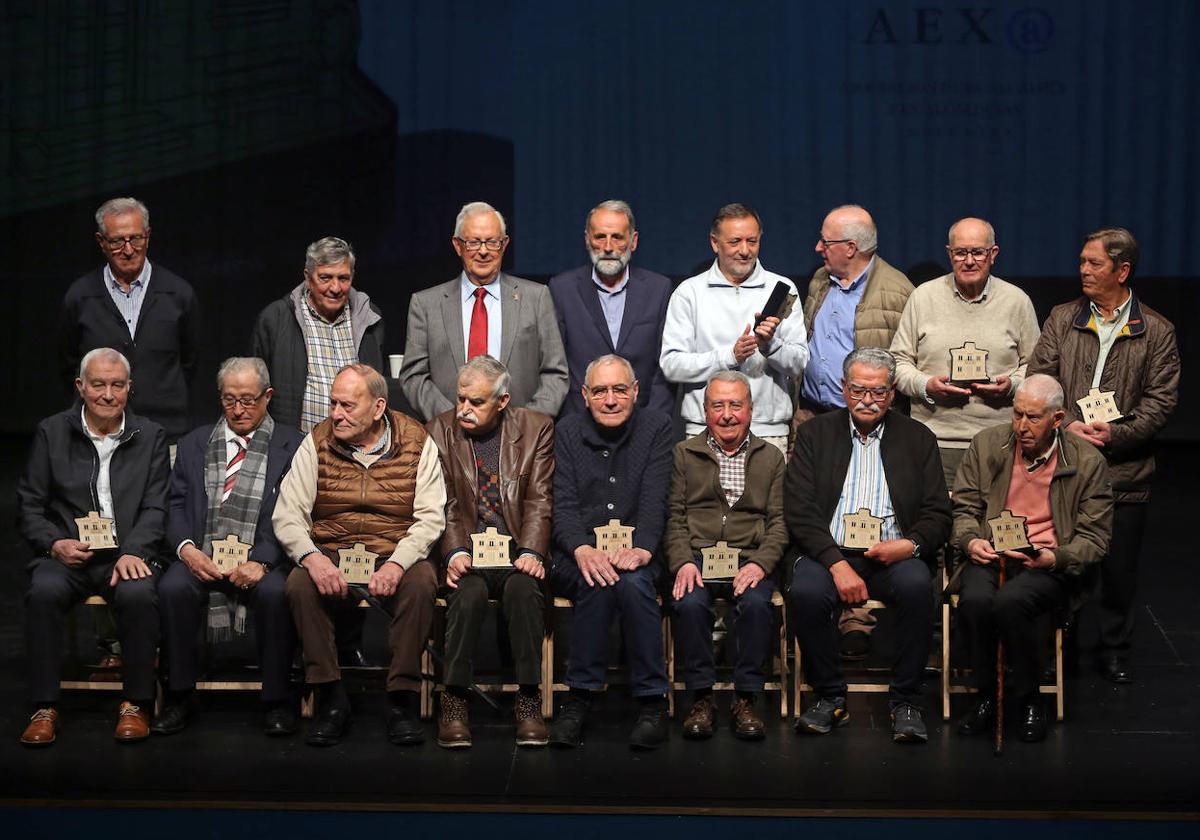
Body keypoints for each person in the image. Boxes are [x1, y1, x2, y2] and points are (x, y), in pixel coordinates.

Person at [1028, 228, 1179, 684]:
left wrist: (1114, 433)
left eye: (1094, 263)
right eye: (1081, 262)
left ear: (1122, 270)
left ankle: (1115, 649)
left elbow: (1160, 403)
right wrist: (1068, 424)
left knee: (1118, 570)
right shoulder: (1063, 316)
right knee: (1066, 562)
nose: (1083, 270)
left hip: (1124, 469)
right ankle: (1064, 645)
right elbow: (1040, 374)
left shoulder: (1156, 330)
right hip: (1067, 461)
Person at [273, 364, 446, 747]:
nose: (336, 413)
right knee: (299, 584)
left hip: (393, 551)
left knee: (421, 584)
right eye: (334, 403)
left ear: (378, 406)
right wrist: (312, 558)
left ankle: (401, 698)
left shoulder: (418, 441)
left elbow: (431, 517)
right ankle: (330, 697)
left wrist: (400, 562)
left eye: (348, 405)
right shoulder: (317, 441)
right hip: (333, 551)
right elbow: (288, 512)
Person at [786, 347, 951, 743]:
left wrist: (909, 545)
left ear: (892, 393)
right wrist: (835, 563)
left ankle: (906, 701)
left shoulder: (918, 438)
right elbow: (799, 510)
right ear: (844, 389)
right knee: (806, 592)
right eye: (859, 389)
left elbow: (939, 515)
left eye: (878, 392)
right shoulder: (814, 434)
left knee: (917, 587)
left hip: (892, 554)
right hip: (829, 552)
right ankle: (829, 697)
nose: (867, 400)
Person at [18, 348, 169, 746]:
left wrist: (135, 550)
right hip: (69, 554)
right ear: (80, 387)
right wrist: (54, 543)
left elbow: (157, 505)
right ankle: (44, 707)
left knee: (139, 594)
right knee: (43, 592)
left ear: (129, 388)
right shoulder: (52, 431)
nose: (107, 394)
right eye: (98, 384)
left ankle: (135, 703)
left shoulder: (150, 434)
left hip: (125, 553)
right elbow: (29, 504)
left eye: (117, 385)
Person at [952, 375, 1112, 742]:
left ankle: (1027, 699)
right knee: (975, 601)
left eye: (1033, 418)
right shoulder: (988, 445)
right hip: (991, 555)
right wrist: (970, 540)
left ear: (1057, 419)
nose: (1022, 426)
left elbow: (1095, 539)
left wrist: (1054, 557)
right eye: (1017, 414)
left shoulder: (1086, 461)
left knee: (1012, 602)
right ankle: (988, 695)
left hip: (1049, 560)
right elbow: (963, 507)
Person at [155, 357, 305, 737]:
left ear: (268, 396)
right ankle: (180, 695)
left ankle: (277, 698)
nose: (238, 410)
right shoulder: (194, 442)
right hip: (200, 553)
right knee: (173, 587)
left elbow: (299, 512)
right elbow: (174, 503)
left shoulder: (295, 445)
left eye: (249, 400)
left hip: (263, 558)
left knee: (275, 593)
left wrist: (264, 561)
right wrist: (187, 550)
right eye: (229, 400)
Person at [797, 204, 915, 660]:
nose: (817, 248)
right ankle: (821, 607)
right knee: (819, 512)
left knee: (865, 509)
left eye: (825, 241)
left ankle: (857, 619)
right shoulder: (818, 282)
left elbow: (901, 364)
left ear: (851, 247)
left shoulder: (898, 290)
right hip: (814, 418)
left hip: (868, 421)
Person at [426, 356, 554, 748]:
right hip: (468, 550)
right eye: (460, 398)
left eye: (476, 402)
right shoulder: (439, 431)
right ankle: (455, 699)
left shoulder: (535, 429)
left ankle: (528, 698)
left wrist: (532, 550)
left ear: (502, 401)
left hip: (515, 549)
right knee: (467, 596)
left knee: (523, 592)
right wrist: (453, 552)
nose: (463, 409)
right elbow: (442, 502)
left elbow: (539, 499)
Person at [548, 354, 674, 750]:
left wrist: (643, 549)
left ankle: (652, 703)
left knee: (634, 584)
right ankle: (578, 700)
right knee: (596, 581)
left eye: (620, 389)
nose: (610, 399)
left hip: (640, 551)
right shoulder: (566, 431)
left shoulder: (657, 427)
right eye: (600, 391)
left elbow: (657, 499)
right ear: (585, 396)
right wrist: (582, 549)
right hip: (578, 552)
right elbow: (562, 505)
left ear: (635, 392)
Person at [667, 371, 787, 740]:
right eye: (717, 405)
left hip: (750, 556)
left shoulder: (772, 457)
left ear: (751, 409)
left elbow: (780, 523)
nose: (727, 414)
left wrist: (760, 563)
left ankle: (746, 699)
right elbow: (674, 518)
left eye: (736, 404)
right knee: (688, 604)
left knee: (755, 604)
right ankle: (700, 697)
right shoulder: (684, 454)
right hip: (699, 556)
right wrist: (683, 561)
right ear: (705, 411)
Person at [890, 217, 1040, 487]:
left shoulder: (1017, 301)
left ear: (993, 254)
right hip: (933, 441)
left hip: (1000, 441)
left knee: (994, 524)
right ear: (950, 254)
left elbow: (1036, 367)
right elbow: (898, 363)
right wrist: (926, 386)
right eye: (961, 252)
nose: (969, 261)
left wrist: (1012, 385)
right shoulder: (923, 297)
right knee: (939, 524)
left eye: (978, 252)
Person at [400, 201, 568, 421]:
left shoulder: (536, 298)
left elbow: (555, 374)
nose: (483, 251)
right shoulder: (426, 304)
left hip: (520, 440)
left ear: (504, 244)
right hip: (449, 438)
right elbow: (414, 376)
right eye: (473, 243)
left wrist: (526, 425)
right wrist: (455, 419)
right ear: (457, 245)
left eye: (492, 242)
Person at [660, 203, 809, 452]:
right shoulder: (690, 292)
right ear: (714, 243)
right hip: (704, 429)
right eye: (735, 241)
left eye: (752, 241)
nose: (745, 250)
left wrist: (770, 345)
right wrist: (729, 357)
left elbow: (800, 363)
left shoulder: (782, 288)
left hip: (768, 430)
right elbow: (672, 365)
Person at [60, 197, 199, 441]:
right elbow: (68, 364)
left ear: (148, 236)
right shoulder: (80, 297)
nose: (127, 250)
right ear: (101, 242)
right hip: (99, 435)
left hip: (166, 434)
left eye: (136, 238)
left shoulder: (179, 294)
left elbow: (190, 362)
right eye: (116, 241)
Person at [549, 199, 673, 417]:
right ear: (587, 240)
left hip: (642, 423)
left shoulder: (658, 289)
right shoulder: (562, 289)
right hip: (580, 425)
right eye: (599, 237)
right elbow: (556, 367)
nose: (607, 247)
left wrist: (653, 423)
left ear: (633, 241)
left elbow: (663, 368)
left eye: (617, 237)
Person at [251, 236, 385, 433]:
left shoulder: (369, 318)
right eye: (325, 278)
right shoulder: (276, 319)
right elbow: (255, 390)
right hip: (296, 445)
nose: (335, 288)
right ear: (308, 277)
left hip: (357, 447)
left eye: (343, 278)